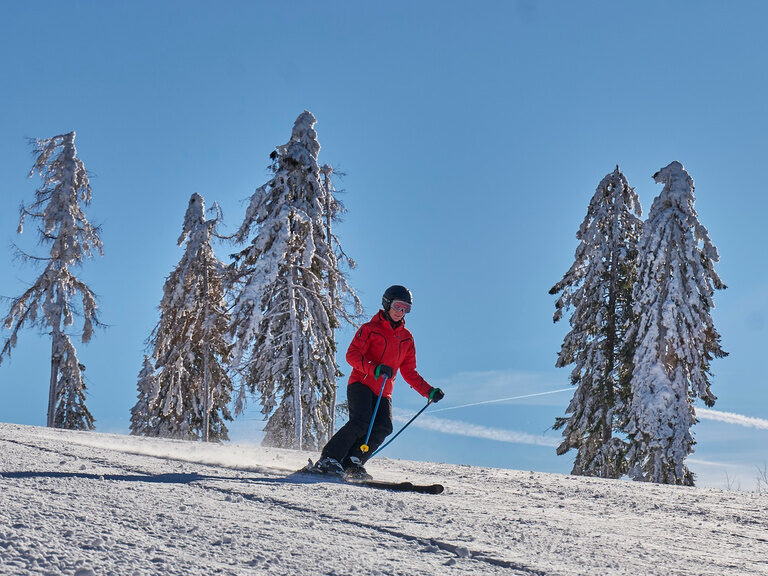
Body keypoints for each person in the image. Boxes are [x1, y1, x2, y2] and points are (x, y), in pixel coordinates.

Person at [313, 285, 444, 479]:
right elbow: (352, 355)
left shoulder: (406, 339)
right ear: (387, 304)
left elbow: (409, 371)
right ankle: (329, 458)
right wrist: (374, 368)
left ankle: (352, 462)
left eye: (406, 308)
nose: (401, 311)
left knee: (384, 427)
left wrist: (429, 391)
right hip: (361, 383)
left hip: (384, 391)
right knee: (361, 422)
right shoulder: (370, 329)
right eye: (398, 306)